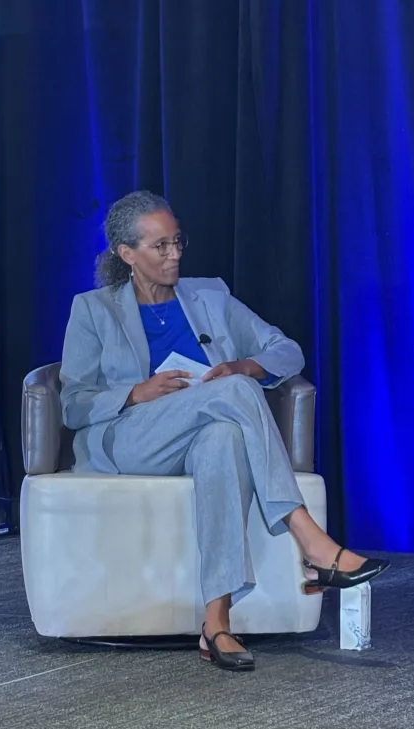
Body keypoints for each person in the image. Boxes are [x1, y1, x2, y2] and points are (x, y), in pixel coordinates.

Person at [60, 190, 390, 671]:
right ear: (126, 254)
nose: (174, 254)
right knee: (236, 393)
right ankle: (312, 541)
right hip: (130, 438)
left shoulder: (210, 295)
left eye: (178, 242)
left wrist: (243, 363)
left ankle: (216, 621)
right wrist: (136, 392)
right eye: (160, 246)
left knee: (225, 436)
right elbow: (72, 403)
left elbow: (287, 350)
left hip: (200, 433)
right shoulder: (93, 309)